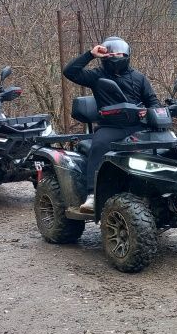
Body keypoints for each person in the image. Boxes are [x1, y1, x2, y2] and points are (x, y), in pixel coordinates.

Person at [63, 35, 161, 210]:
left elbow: (153, 101)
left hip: (137, 126)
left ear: (127, 55)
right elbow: (70, 72)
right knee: (98, 146)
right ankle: (92, 195)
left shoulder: (139, 78)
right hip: (111, 127)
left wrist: (152, 112)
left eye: (120, 53)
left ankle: (160, 192)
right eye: (111, 53)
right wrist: (90, 54)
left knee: (162, 147)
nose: (116, 56)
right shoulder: (96, 76)